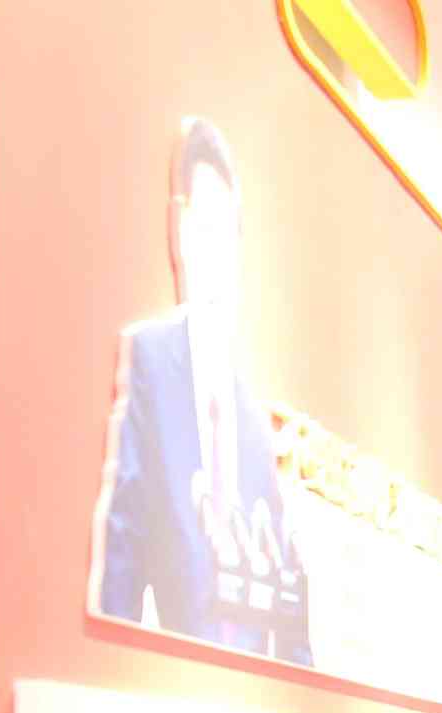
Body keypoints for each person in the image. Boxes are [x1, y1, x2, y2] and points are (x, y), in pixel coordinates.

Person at [90, 118, 312, 665]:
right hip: (169, 683)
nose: (217, 256)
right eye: (205, 230)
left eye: (227, 235)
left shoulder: (254, 419)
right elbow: (122, 548)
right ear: (183, 233)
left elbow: (287, 585)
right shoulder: (152, 361)